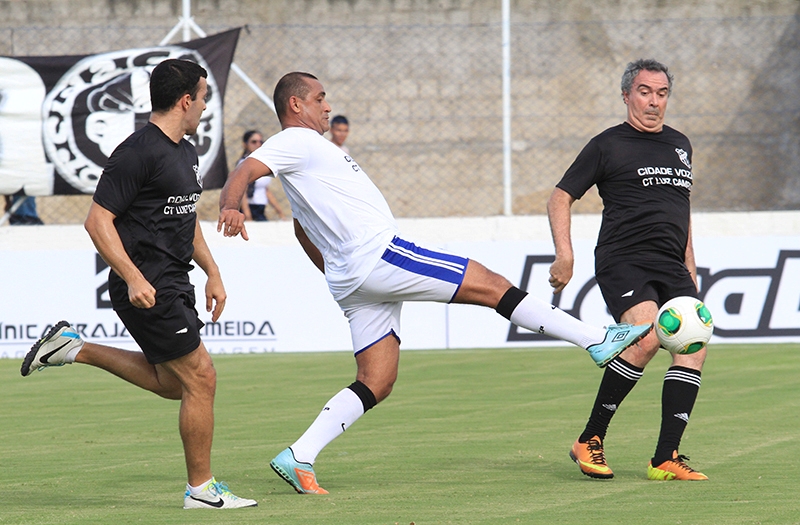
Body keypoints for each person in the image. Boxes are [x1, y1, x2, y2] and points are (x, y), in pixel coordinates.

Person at [216, 71, 652, 495]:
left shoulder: (305, 159)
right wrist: (231, 205)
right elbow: (245, 170)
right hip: (378, 255)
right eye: (319, 98)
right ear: (295, 104)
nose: (327, 106)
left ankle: (300, 455)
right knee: (491, 284)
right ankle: (594, 339)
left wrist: (337, 273)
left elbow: (301, 230)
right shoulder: (296, 140)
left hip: (354, 279)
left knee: (377, 379)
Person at [20, 59, 257, 509]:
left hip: (176, 281)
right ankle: (201, 490)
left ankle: (75, 348)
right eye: (203, 97)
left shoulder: (186, 152)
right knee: (201, 377)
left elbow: (185, 218)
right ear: (185, 100)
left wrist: (213, 271)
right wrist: (132, 277)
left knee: (174, 384)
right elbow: (97, 222)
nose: (205, 106)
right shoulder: (136, 152)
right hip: (149, 286)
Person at [547, 59, 708, 482]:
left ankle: (665, 456)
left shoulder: (680, 144)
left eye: (661, 93)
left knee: (693, 345)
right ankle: (589, 438)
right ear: (626, 95)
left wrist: (690, 268)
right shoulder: (607, 144)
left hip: (672, 264)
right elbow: (560, 196)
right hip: (624, 258)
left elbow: (682, 211)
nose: (654, 101)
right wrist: (565, 254)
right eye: (644, 92)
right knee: (646, 337)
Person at [238, 130, 286, 221]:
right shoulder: (243, 163)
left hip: (260, 207)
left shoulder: (262, 163)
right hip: (249, 207)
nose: (258, 144)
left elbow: (265, 189)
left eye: (260, 142)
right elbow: (242, 191)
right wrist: (247, 215)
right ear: (245, 144)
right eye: (253, 142)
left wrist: (280, 212)